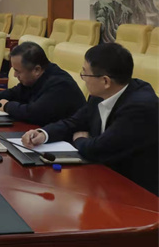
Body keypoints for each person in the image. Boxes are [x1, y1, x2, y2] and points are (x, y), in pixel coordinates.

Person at [22, 43, 158, 195]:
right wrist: (43, 134)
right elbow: (75, 122)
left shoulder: (140, 107)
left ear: (105, 81)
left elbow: (99, 149)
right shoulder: (100, 94)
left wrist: (80, 139)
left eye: (85, 74)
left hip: (137, 190)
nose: (83, 79)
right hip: (103, 176)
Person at [0, 42, 85, 125]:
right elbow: (16, 92)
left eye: (18, 71)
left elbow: (34, 113)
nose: (15, 75)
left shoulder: (60, 84)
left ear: (36, 70)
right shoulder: (36, 77)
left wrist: (7, 106)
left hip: (68, 140)